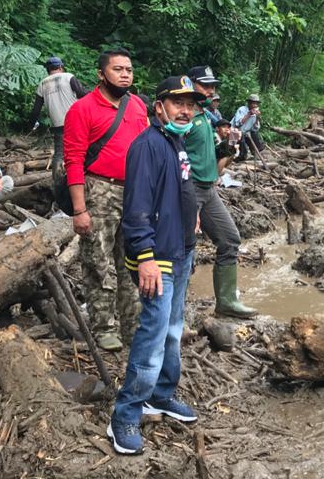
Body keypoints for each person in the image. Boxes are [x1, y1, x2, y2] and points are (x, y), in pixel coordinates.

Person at [107, 76, 200, 455]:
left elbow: (179, 188)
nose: (185, 109)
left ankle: (161, 395)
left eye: (190, 104)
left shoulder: (174, 140)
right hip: (156, 257)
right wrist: (145, 257)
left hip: (179, 251)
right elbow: (136, 209)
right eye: (177, 103)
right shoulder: (146, 145)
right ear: (158, 106)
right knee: (152, 337)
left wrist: (190, 220)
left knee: (173, 330)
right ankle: (126, 414)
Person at [63, 49, 149, 351]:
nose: (125, 74)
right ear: (101, 74)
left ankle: (133, 326)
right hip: (98, 189)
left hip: (135, 192)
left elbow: (146, 150)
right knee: (98, 261)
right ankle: (104, 327)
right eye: (117, 69)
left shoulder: (137, 106)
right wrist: (79, 209)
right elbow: (73, 160)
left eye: (128, 69)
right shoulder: (82, 109)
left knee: (133, 261)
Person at [185, 65, 258, 319]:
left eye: (213, 86)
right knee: (183, 248)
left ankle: (226, 301)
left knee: (229, 239)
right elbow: (174, 157)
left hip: (208, 189)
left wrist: (229, 147)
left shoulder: (206, 115)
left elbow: (214, 156)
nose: (211, 90)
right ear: (190, 83)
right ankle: (176, 312)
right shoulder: (183, 116)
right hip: (190, 188)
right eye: (205, 85)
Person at [28, 56, 88, 173]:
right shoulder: (68, 77)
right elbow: (82, 94)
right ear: (61, 67)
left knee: (59, 154)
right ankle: (81, 179)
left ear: (48, 69)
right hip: (75, 122)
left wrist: (31, 125)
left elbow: (36, 109)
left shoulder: (42, 84)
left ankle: (57, 181)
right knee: (81, 151)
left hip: (58, 124)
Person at [232, 94, 264, 159]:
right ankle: (241, 155)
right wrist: (249, 114)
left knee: (254, 133)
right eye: (253, 103)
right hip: (234, 133)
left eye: (256, 103)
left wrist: (257, 117)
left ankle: (255, 151)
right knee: (242, 154)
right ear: (249, 103)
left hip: (244, 133)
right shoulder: (242, 109)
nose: (255, 105)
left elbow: (255, 129)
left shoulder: (255, 113)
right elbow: (238, 124)